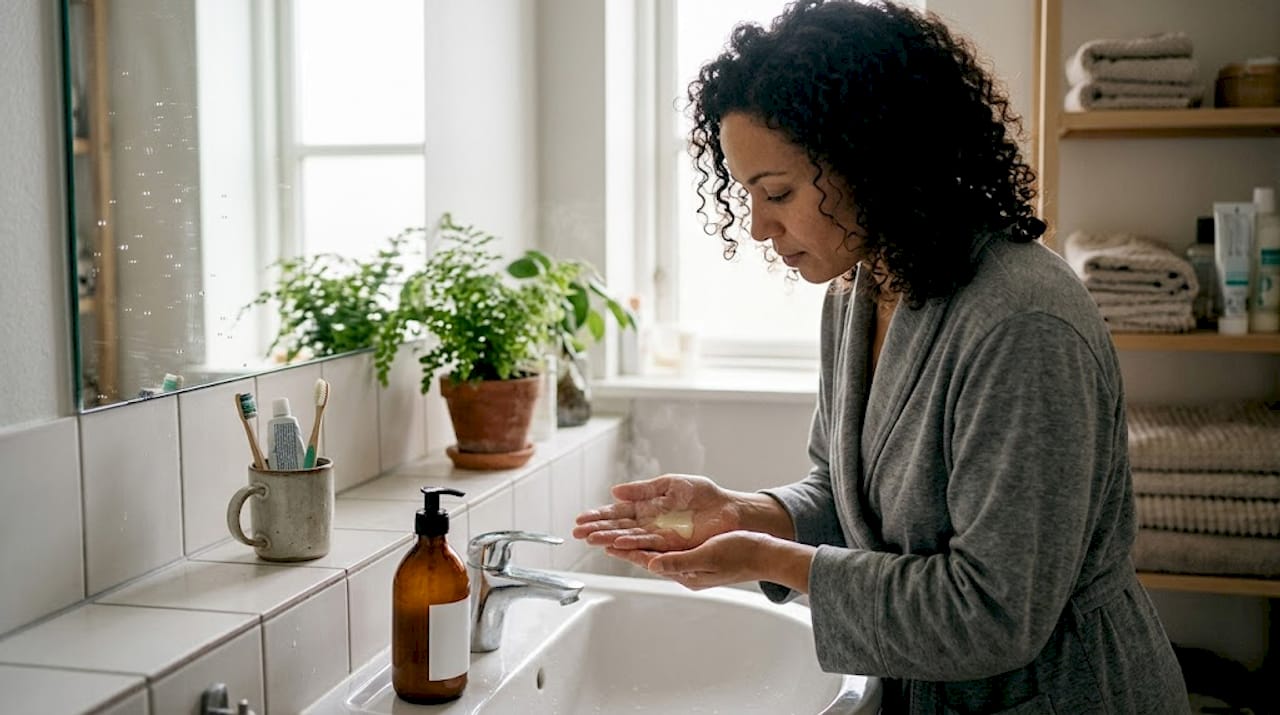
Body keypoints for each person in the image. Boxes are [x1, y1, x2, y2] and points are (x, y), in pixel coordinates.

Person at [573, 1, 1189, 712]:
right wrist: (745, 513)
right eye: (748, 195)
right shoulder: (860, 290)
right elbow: (847, 497)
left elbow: (994, 612)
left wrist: (769, 559)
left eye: (778, 192)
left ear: (872, 159)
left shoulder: (1022, 322)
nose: (759, 226)